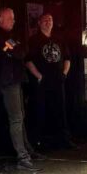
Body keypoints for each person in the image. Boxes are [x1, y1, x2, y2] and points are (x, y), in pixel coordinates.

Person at [0, 8, 42, 171]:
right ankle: (23, 158)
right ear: (0, 20)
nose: (13, 21)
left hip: (15, 80)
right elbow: (19, 53)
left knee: (20, 116)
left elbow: (22, 51)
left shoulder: (9, 37)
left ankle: (28, 152)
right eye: (10, 18)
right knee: (16, 118)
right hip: (8, 82)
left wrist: (14, 47)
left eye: (13, 18)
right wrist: (14, 47)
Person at [26, 13, 74, 150]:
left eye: (50, 20)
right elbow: (28, 61)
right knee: (39, 110)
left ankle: (64, 140)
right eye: (45, 20)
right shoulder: (33, 40)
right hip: (41, 82)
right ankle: (38, 142)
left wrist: (64, 74)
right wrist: (38, 76)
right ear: (39, 23)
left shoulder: (59, 39)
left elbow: (67, 58)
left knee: (61, 110)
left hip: (58, 80)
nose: (48, 22)